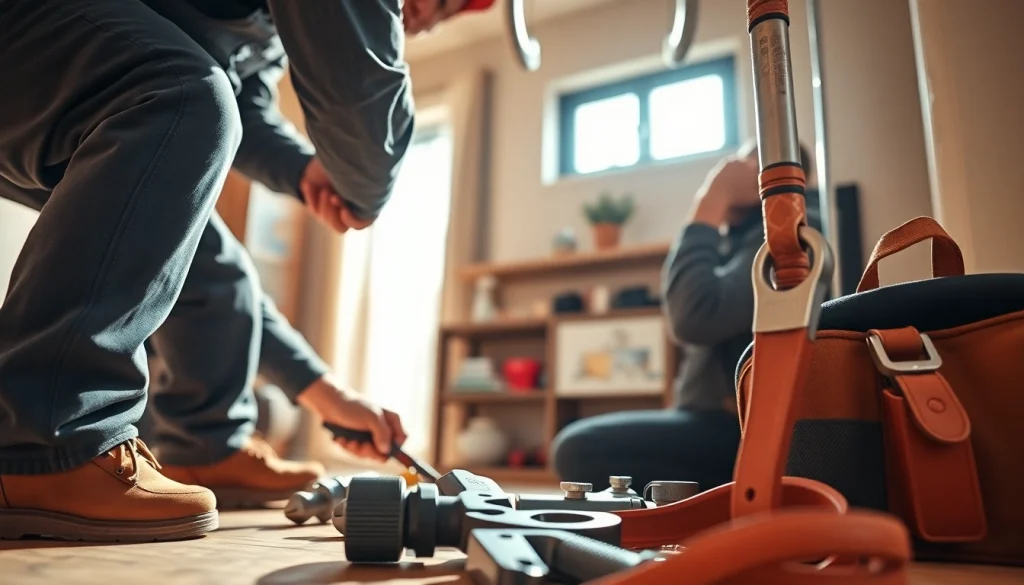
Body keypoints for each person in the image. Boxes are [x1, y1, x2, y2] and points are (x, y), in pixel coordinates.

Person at [0, 0, 492, 543]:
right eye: (439, 1)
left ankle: (207, 448)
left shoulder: (268, 33)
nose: (424, 19)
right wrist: (361, 184)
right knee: (183, 97)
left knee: (217, 266)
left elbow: (245, 107)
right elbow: (359, 134)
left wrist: (329, 396)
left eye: (443, 19)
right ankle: (44, 445)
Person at [551, 140, 814, 494]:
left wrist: (711, 200)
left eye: (747, 166)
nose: (732, 171)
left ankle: (725, 505)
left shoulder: (793, 238)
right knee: (576, 446)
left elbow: (692, 315)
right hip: (709, 418)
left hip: (743, 427)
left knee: (579, 449)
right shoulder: (740, 240)